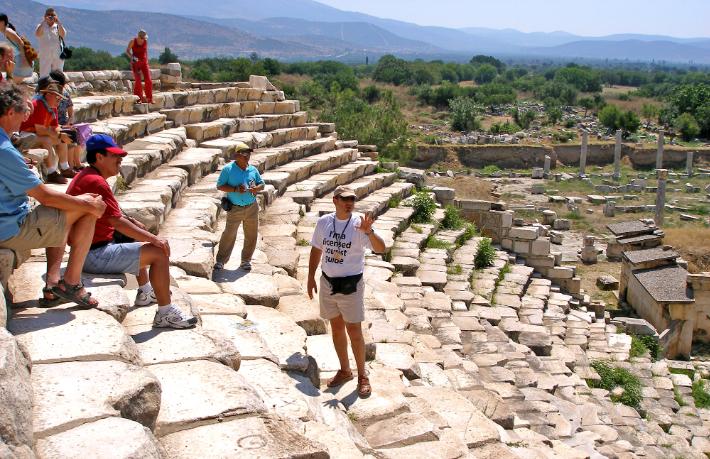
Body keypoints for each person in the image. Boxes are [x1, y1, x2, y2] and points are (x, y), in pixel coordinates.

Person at [66, 134, 197, 329]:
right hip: (93, 255)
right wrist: (155, 239)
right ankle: (165, 313)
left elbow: (114, 217)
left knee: (136, 230)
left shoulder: (88, 176)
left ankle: (145, 291)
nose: (120, 160)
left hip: (88, 249)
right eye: (114, 156)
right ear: (99, 157)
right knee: (158, 253)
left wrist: (135, 224)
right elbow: (116, 221)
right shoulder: (96, 182)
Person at [0, 83, 105, 309]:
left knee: (66, 210)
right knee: (88, 209)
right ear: (9, 112)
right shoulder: (3, 150)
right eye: (22, 114)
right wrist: (85, 202)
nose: (23, 120)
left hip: (7, 219)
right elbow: (45, 197)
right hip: (8, 228)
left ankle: (53, 284)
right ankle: (71, 283)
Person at [307, 185, 385, 398]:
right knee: (337, 328)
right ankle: (344, 370)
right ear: (335, 200)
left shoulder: (360, 224)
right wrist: (309, 277)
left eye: (352, 199)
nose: (349, 202)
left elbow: (381, 248)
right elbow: (316, 249)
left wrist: (369, 231)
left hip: (351, 285)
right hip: (328, 283)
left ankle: (362, 376)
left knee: (354, 331)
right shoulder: (324, 223)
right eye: (345, 199)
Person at [214, 142, 264, 271]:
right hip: (235, 207)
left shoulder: (253, 169)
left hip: (251, 207)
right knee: (229, 234)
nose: (247, 156)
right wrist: (235, 189)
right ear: (237, 155)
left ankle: (246, 260)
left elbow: (261, 184)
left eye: (248, 153)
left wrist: (256, 188)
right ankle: (221, 261)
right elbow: (220, 186)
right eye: (244, 153)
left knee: (251, 235)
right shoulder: (228, 170)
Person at [19, 81, 74, 183]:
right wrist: (60, 134)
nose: (60, 100)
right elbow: (41, 130)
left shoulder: (52, 108)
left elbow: (55, 126)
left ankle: (65, 168)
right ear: (48, 95)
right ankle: (51, 172)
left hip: (35, 134)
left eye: (60, 98)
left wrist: (63, 132)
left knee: (62, 140)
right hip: (25, 134)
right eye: (57, 97)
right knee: (47, 140)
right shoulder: (39, 105)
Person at [49, 70, 83, 172]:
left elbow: (71, 113)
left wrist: (69, 123)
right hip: (55, 125)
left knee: (74, 131)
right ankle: (71, 166)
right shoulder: (49, 96)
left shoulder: (65, 95)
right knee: (70, 134)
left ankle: (76, 164)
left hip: (63, 123)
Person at [0, 14, 34, 82]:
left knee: (14, 83)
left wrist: (24, 60)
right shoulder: (6, 32)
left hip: (22, 60)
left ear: (3, 22)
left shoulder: (7, 31)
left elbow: (20, 43)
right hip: (20, 60)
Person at [35, 8, 65, 78]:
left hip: (58, 54)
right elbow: (37, 34)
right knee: (44, 74)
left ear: (56, 16)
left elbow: (63, 35)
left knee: (58, 74)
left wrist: (59, 23)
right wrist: (44, 21)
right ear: (44, 16)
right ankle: (44, 87)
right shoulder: (41, 26)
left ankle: (58, 87)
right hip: (45, 54)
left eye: (53, 15)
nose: (51, 16)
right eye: (48, 15)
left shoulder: (58, 26)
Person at [125, 30, 152, 104]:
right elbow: (127, 51)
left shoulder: (145, 41)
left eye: (145, 38)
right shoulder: (133, 41)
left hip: (144, 63)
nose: (144, 39)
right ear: (140, 37)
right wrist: (132, 57)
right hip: (135, 63)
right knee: (138, 81)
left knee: (148, 80)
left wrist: (147, 60)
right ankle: (138, 98)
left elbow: (145, 52)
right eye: (143, 38)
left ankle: (149, 98)